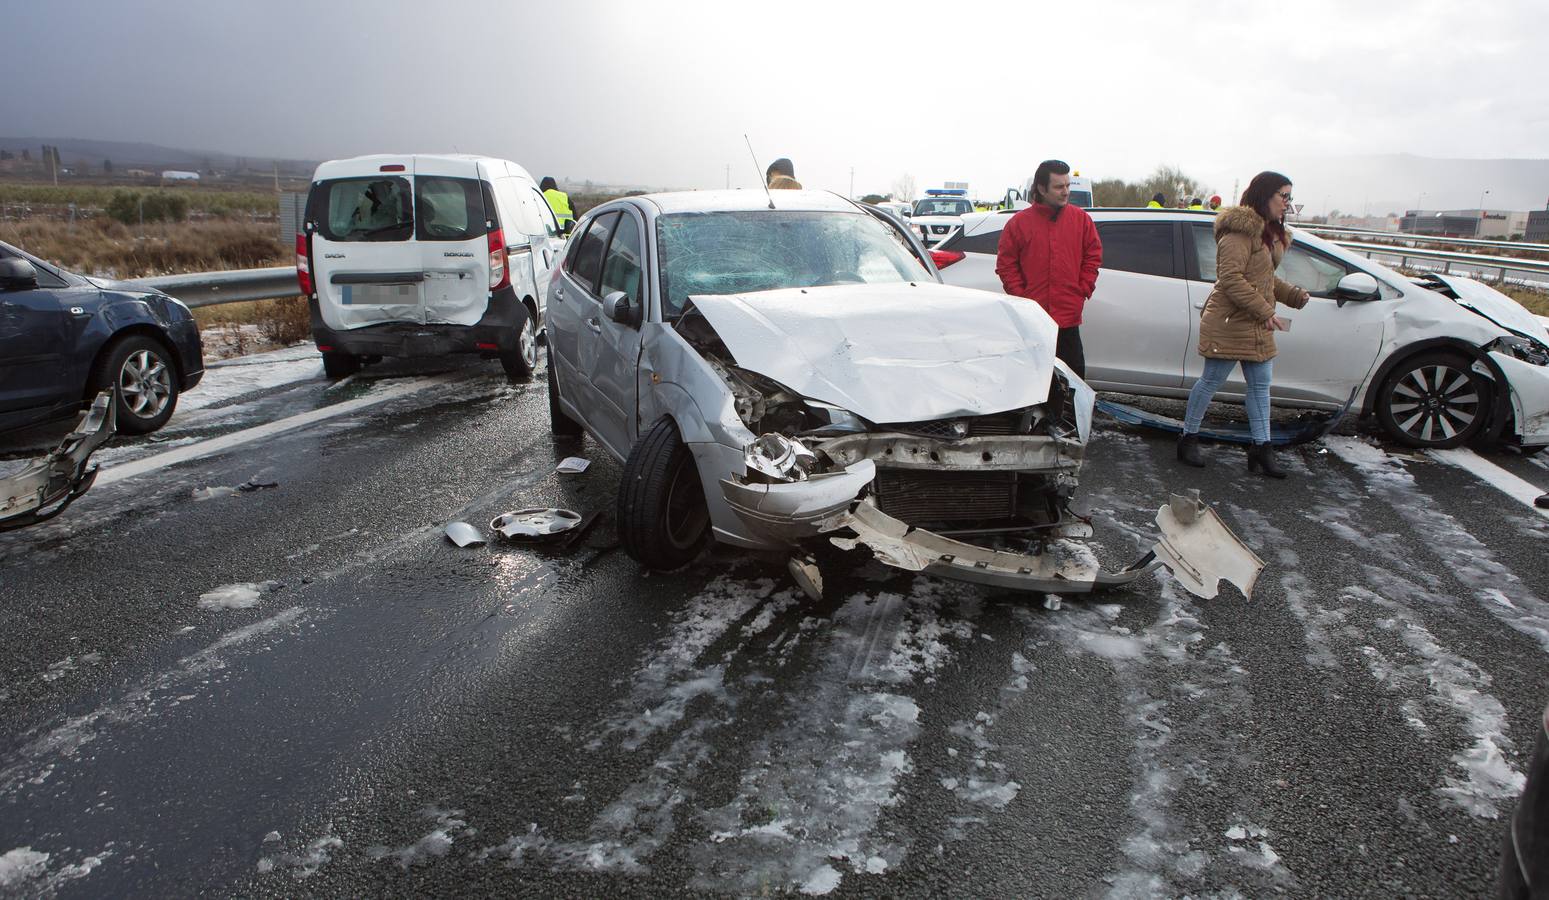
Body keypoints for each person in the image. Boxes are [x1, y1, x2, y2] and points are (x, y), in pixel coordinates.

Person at [1176, 171, 1311, 478]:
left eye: (1291, 197)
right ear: (1265, 195)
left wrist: (1292, 295)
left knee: (1261, 387)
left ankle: (1262, 449)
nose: (1288, 204)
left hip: (1255, 323)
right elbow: (1231, 279)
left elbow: (1263, 279)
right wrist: (1265, 311)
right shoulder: (1239, 231)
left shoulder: (1268, 234)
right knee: (1211, 380)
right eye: (1284, 196)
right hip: (1229, 320)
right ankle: (1188, 438)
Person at [994, 159, 1102, 379]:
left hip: (1068, 321)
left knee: (1073, 383)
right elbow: (1006, 265)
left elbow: (1093, 256)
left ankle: (1068, 415)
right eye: (1059, 187)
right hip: (1033, 322)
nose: (1065, 192)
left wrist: (1083, 288)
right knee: (1031, 383)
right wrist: (1023, 298)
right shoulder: (1019, 223)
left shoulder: (1081, 221)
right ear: (1041, 189)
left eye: (1067, 186)